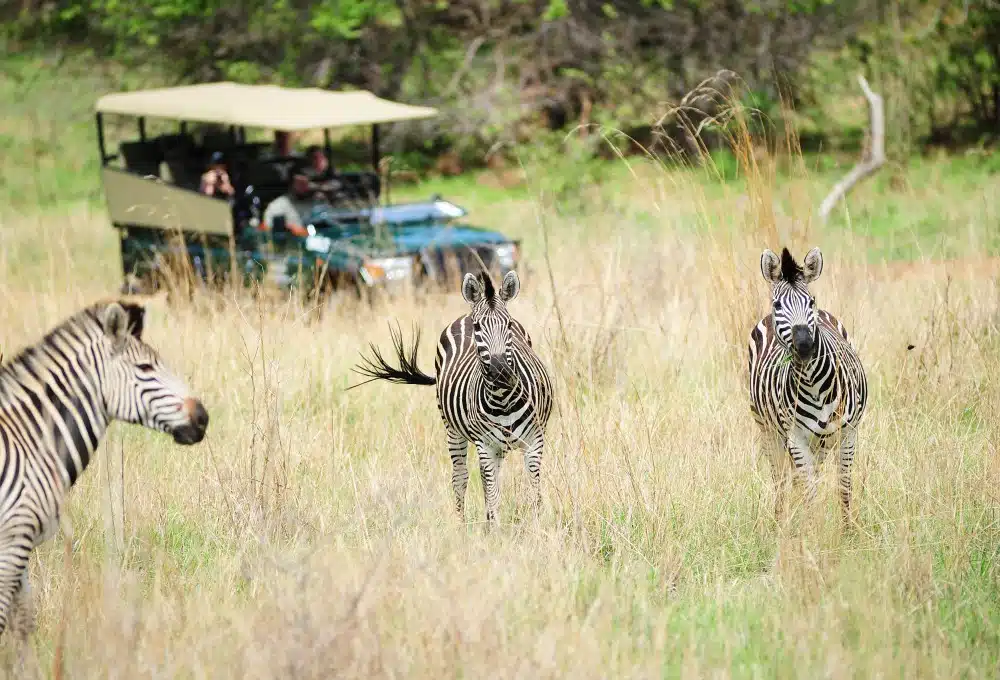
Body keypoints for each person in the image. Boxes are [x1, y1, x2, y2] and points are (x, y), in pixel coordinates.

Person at [260, 174, 327, 237]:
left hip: (319, 241)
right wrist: (288, 229)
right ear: (292, 185)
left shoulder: (316, 203)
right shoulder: (278, 205)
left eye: (306, 183)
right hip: (290, 245)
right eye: (300, 184)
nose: (303, 187)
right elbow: (265, 227)